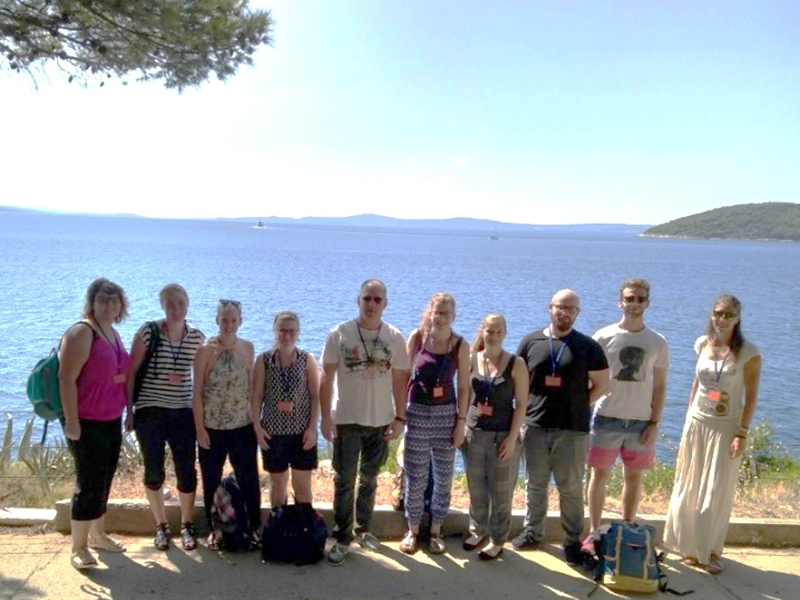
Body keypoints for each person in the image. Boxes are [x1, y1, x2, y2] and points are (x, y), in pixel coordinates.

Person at [664, 294, 761, 575]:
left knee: (715, 492)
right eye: (718, 313)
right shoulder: (701, 344)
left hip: (726, 427)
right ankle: (691, 549)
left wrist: (742, 433)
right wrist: (686, 418)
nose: (722, 319)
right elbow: (697, 383)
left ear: (738, 318)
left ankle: (712, 551)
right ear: (712, 315)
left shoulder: (749, 352)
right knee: (690, 487)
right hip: (697, 423)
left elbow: (751, 396)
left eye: (729, 315)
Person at [512, 289, 609, 565]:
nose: (565, 312)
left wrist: (581, 404)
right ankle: (533, 532)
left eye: (571, 309)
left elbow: (603, 384)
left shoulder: (588, 346)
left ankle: (571, 541)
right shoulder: (531, 341)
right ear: (550, 308)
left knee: (570, 488)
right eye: (560, 307)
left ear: (577, 313)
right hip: (535, 426)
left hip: (573, 430)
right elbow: (519, 380)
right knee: (535, 484)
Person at [320, 279, 410, 565]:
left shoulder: (395, 337)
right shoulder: (340, 333)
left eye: (377, 300)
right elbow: (327, 378)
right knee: (344, 480)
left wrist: (399, 417)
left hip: (381, 422)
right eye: (366, 299)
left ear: (385, 303)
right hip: (346, 420)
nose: (371, 304)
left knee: (369, 480)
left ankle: (364, 529)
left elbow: (399, 380)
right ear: (357, 300)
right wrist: (325, 418)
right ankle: (342, 537)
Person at [584, 279, 669, 549]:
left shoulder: (658, 342)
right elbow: (589, 379)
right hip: (606, 417)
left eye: (640, 299)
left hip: (640, 422)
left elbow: (660, 385)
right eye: (630, 299)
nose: (635, 304)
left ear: (648, 303)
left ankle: (628, 528)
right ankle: (594, 531)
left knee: (633, 478)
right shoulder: (602, 336)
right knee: (598, 476)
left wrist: (655, 422)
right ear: (620, 301)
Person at [59, 278, 132, 569]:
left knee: (104, 478)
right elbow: (65, 378)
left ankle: (99, 535)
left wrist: (129, 411)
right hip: (85, 421)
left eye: (115, 300)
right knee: (87, 483)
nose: (110, 305)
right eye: (103, 300)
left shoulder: (113, 332)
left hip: (110, 420)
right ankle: (78, 548)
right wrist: (72, 421)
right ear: (92, 302)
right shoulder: (82, 331)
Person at [128, 283, 205, 551]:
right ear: (163, 305)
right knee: (154, 471)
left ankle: (186, 525)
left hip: (183, 412)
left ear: (188, 304)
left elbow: (204, 377)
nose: (176, 309)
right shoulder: (148, 332)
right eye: (170, 304)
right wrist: (129, 412)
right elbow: (131, 372)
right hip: (150, 411)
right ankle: (160, 526)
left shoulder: (196, 337)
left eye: (181, 303)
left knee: (187, 471)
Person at [399, 292, 470, 555]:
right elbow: (404, 377)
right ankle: (412, 530)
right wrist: (399, 413)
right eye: (437, 311)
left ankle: (436, 530)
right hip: (417, 412)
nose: (441, 317)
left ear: (454, 316)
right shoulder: (416, 339)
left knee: (443, 477)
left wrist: (461, 421)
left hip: (446, 416)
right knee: (415, 475)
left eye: (446, 313)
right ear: (430, 312)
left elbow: (464, 387)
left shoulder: (461, 345)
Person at [193, 299, 260, 550]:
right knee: (211, 479)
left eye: (233, 320)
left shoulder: (248, 348)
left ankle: (253, 527)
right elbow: (197, 392)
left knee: (249, 478)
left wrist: (256, 422)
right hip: (212, 427)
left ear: (240, 321)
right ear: (217, 320)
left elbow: (253, 390)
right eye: (224, 319)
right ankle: (214, 529)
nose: (228, 324)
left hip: (242, 426)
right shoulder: (204, 351)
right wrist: (199, 428)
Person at [461, 314, 529, 560]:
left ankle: (498, 539)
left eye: (499, 331)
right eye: (490, 331)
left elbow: (521, 404)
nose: (494, 335)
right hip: (475, 433)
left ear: (505, 333)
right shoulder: (471, 359)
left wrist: (512, 438)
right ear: (482, 331)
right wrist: (460, 428)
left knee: (501, 491)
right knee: (476, 487)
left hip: (503, 436)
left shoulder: (516, 364)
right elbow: (465, 396)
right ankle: (477, 530)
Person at [251, 311, 320, 507]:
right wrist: (257, 426)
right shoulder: (264, 360)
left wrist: (313, 429)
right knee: (278, 483)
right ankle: (278, 528)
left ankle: (304, 527)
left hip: (302, 433)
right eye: (282, 330)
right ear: (275, 331)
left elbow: (315, 397)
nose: (287, 335)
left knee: (302, 485)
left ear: (298, 333)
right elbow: (256, 396)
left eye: (292, 331)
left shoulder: (307, 359)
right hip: (273, 433)